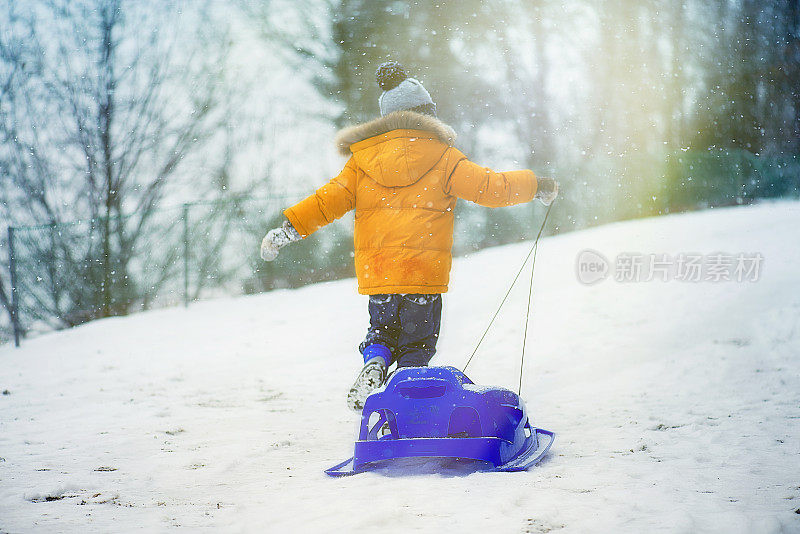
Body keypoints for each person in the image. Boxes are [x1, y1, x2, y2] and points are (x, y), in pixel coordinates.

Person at [260, 61, 558, 411]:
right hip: (421, 273)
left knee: (382, 332)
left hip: (380, 272)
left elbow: (329, 199)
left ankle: (374, 362)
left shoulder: (362, 160)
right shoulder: (444, 157)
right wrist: (537, 185)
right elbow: (491, 188)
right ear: (427, 116)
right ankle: (407, 407)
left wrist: (289, 229)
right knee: (417, 346)